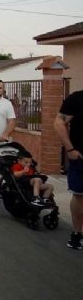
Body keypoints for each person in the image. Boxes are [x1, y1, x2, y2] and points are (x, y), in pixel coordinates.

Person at [54, 90, 83, 249]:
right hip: (80, 157)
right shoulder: (77, 98)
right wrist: (70, 149)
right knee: (79, 196)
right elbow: (59, 122)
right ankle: (77, 233)